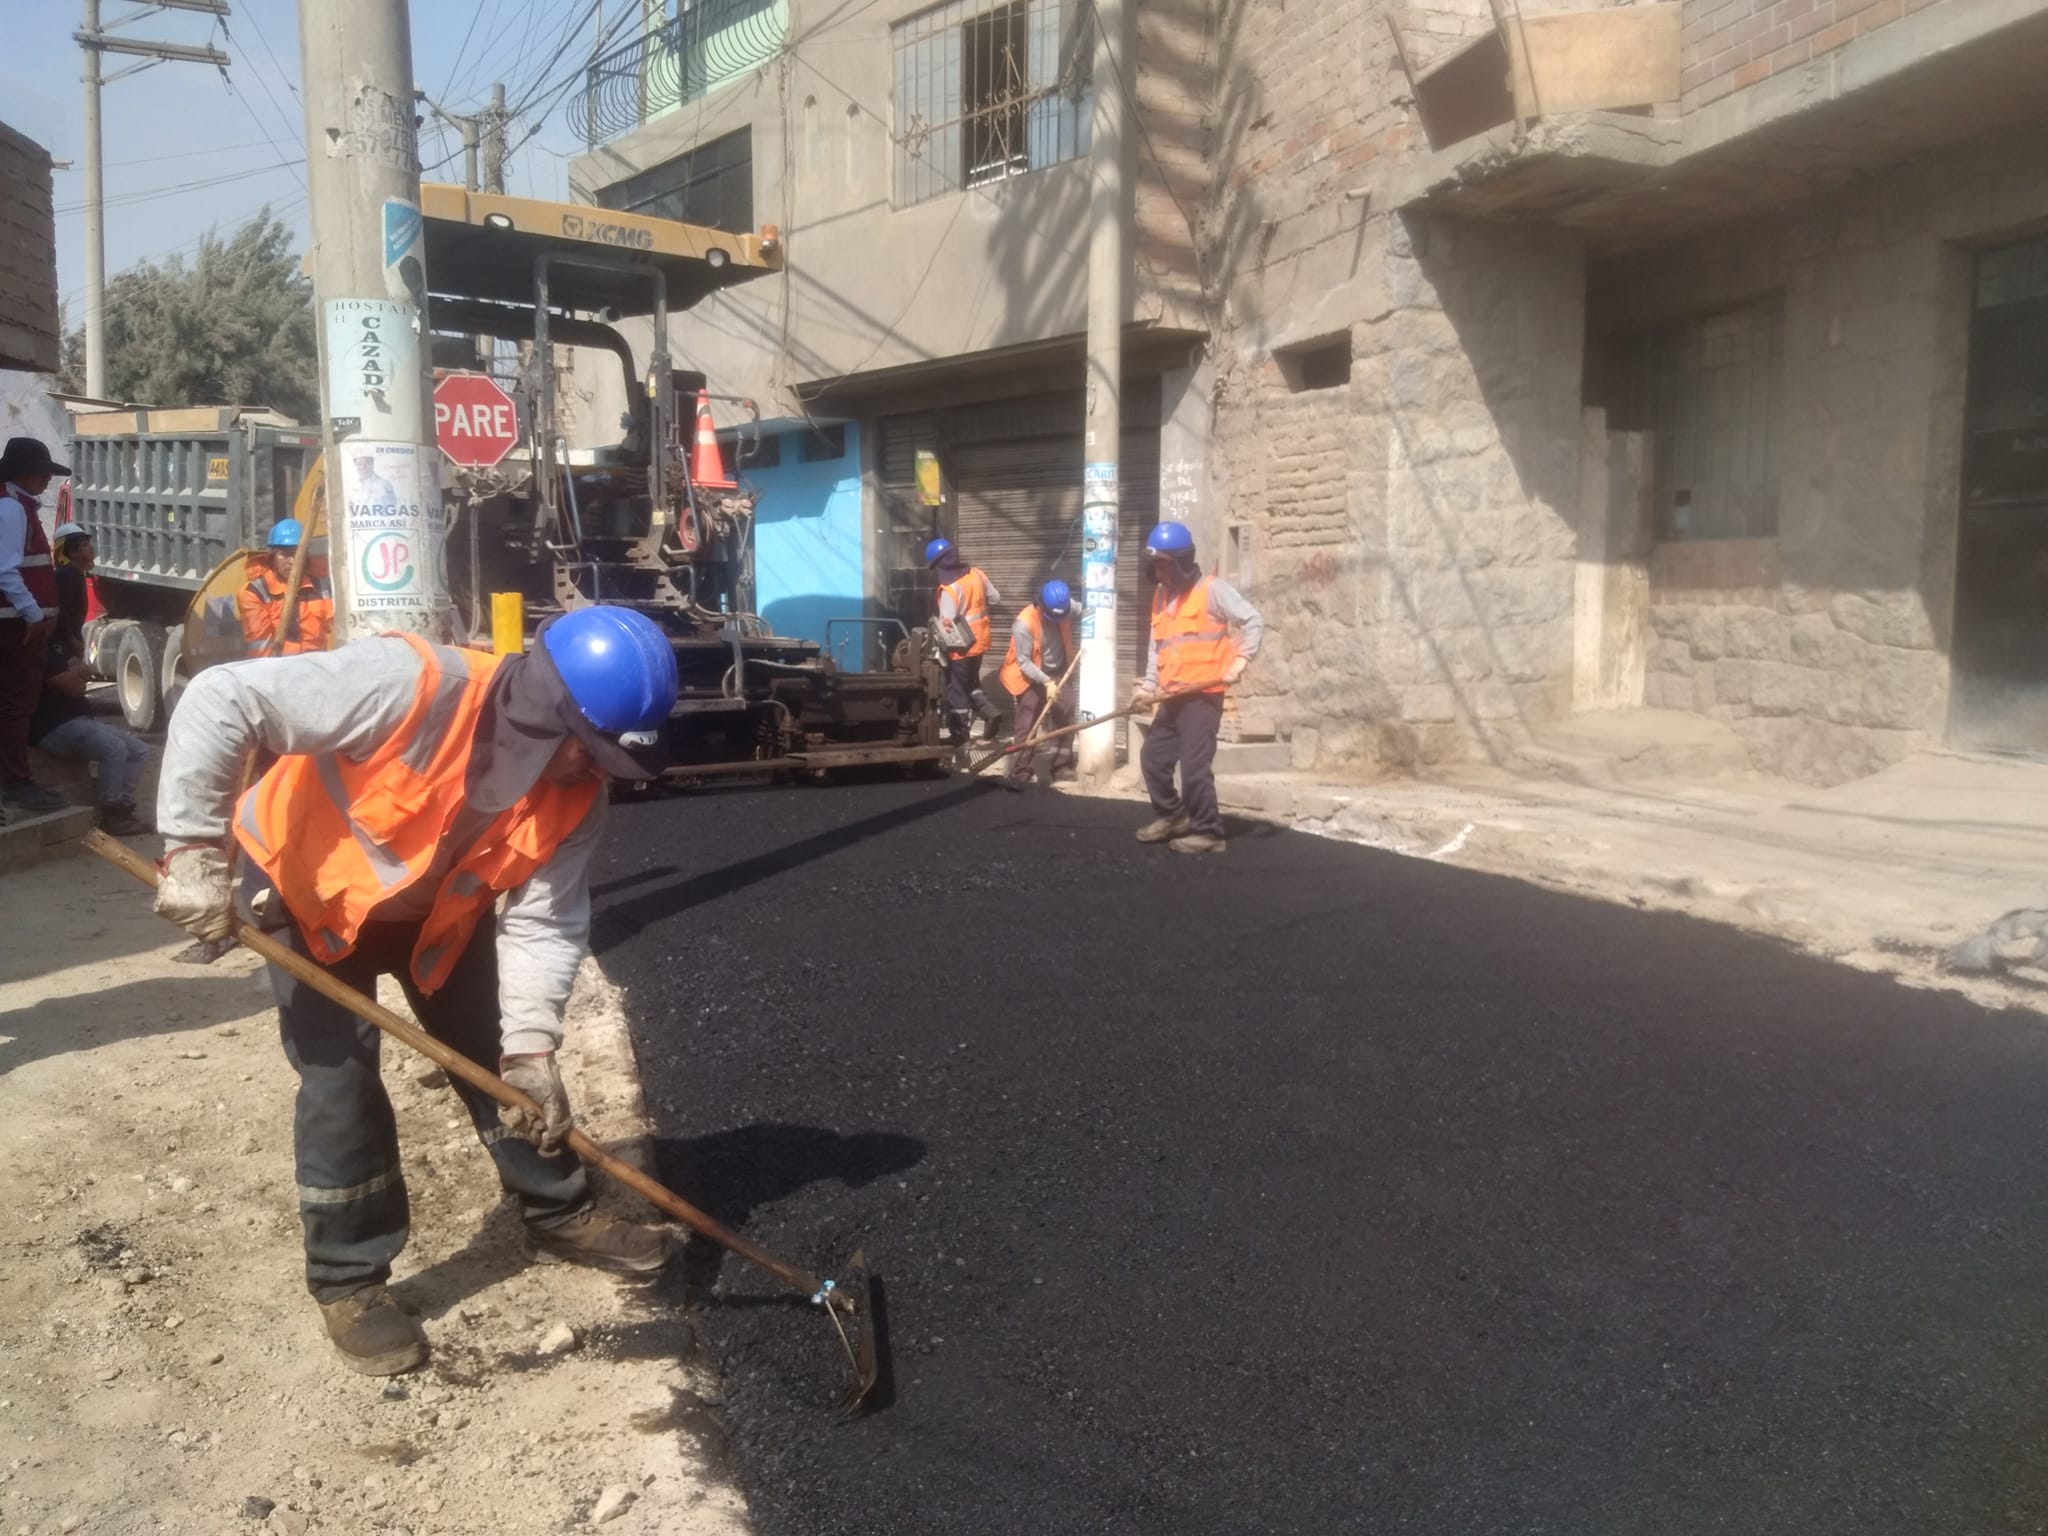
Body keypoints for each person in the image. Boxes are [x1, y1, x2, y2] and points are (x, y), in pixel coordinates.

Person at [151, 606, 682, 1377]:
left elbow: (545, 923)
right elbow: (222, 697)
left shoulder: (578, 797)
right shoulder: (410, 686)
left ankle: (559, 1214)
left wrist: (532, 1045)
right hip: (309, 891)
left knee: (500, 1063)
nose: (595, 771)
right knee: (341, 1084)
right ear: (542, 713)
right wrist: (194, 847)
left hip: (434, 914)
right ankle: (350, 1282)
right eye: (588, 750)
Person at [1131, 520, 1264, 855]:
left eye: (1162, 564)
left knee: (1193, 766)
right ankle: (1173, 816)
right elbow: (1157, 646)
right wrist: (1148, 688)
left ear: (1181, 561)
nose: (1157, 571)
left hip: (1203, 698)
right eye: (1155, 564)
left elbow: (1253, 620)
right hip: (1172, 696)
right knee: (1153, 758)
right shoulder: (1160, 596)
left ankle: (1209, 832)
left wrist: (1239, 662)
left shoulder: (1211, 590)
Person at [0, 438, 72, 815]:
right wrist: (33, 615)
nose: (47, 479)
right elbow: (5, 570)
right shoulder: (12, 508)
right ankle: (16, 782)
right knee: (17, 704)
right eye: (41, 472)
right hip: (16, 626)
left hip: (14, 623)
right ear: (21, 474)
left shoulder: (12, 503)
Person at [30, 640, 152, 836]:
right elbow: (76, 687)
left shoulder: (55, 645)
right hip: (52, 727)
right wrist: (74, 672)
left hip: (80, 721)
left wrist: (74, 671)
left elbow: (87, 672)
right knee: (114, 748)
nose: (49, 622)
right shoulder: (35, 651)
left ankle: (123, 807)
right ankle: (111, 814)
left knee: (139, 750)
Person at [926, 537, 1003, 764]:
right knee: (972, 684)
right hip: (980, 644)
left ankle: (960, 738)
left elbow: (946, 626)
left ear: (940, 564)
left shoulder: (949, 589)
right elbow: (995, 598)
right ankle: (990, 712)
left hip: (960, 648)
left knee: (956, 691)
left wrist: (937, 653)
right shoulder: (977, 574)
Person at [998, 579, 1077, 791]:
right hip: (1031, 675)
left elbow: (1088, 611)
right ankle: (1020, 770)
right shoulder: (1023, 623)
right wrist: (1047, 682)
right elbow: (1024, 662)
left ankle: (1061, 766)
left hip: (1060, 671)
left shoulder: (1067, 607)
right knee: (1028, 719)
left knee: (1066, 710)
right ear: (1040, 605)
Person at [236, 518, 334, 657]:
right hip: (280, 671)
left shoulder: (324, 587)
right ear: (272, 557)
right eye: (285, 554)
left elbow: (335, 634)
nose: (292, 561)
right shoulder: (254, 593)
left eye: (297, 554)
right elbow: (260, 649)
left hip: (319, 668)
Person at [49, 522, 95, 662]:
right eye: (85, 545)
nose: (91, 548)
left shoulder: (74, 574)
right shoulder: (67, 575)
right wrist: (71, 640)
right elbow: (62, 612)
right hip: (62, 644)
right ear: (73, 552)